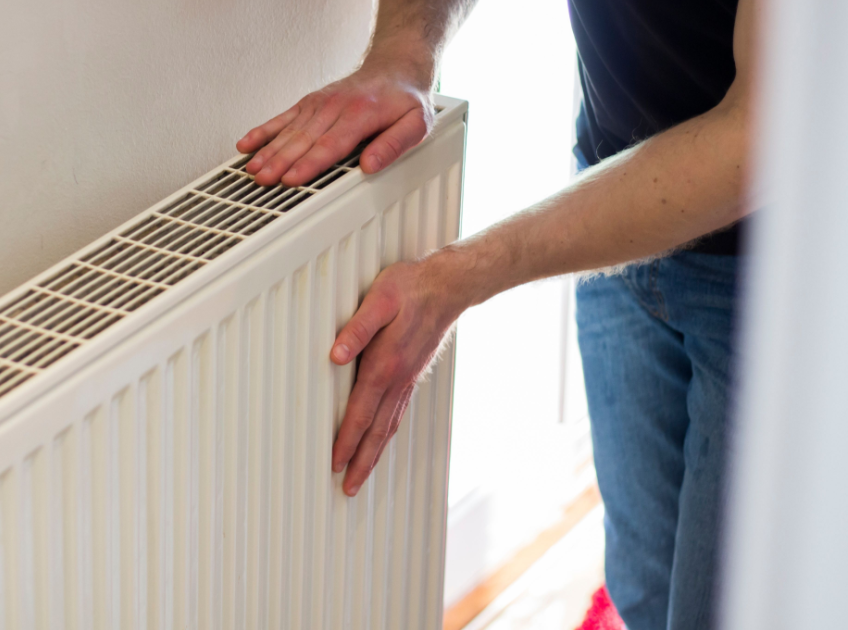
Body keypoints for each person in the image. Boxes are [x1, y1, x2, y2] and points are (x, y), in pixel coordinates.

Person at [236, 0, 756, 628]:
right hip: (617, 194)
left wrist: (460, 276)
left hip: (777, 276)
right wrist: (402, 54)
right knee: (642, 584)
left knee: (719, 609)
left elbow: (758, 137)